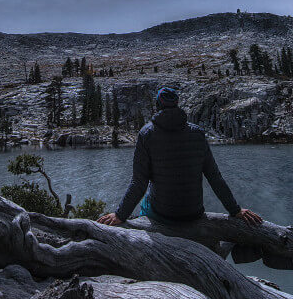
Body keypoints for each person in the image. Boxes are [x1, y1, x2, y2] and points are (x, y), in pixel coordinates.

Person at [98, 86, 262, 228]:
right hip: (193, 213)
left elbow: (138, 182)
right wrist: (235, 210)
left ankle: (146, 228)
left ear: (158, 106)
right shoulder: (197, 133)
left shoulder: (147, 134)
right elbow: (214, 177)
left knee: (147, 198)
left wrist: (120, 214)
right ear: (177, 104)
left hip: (163, 214)